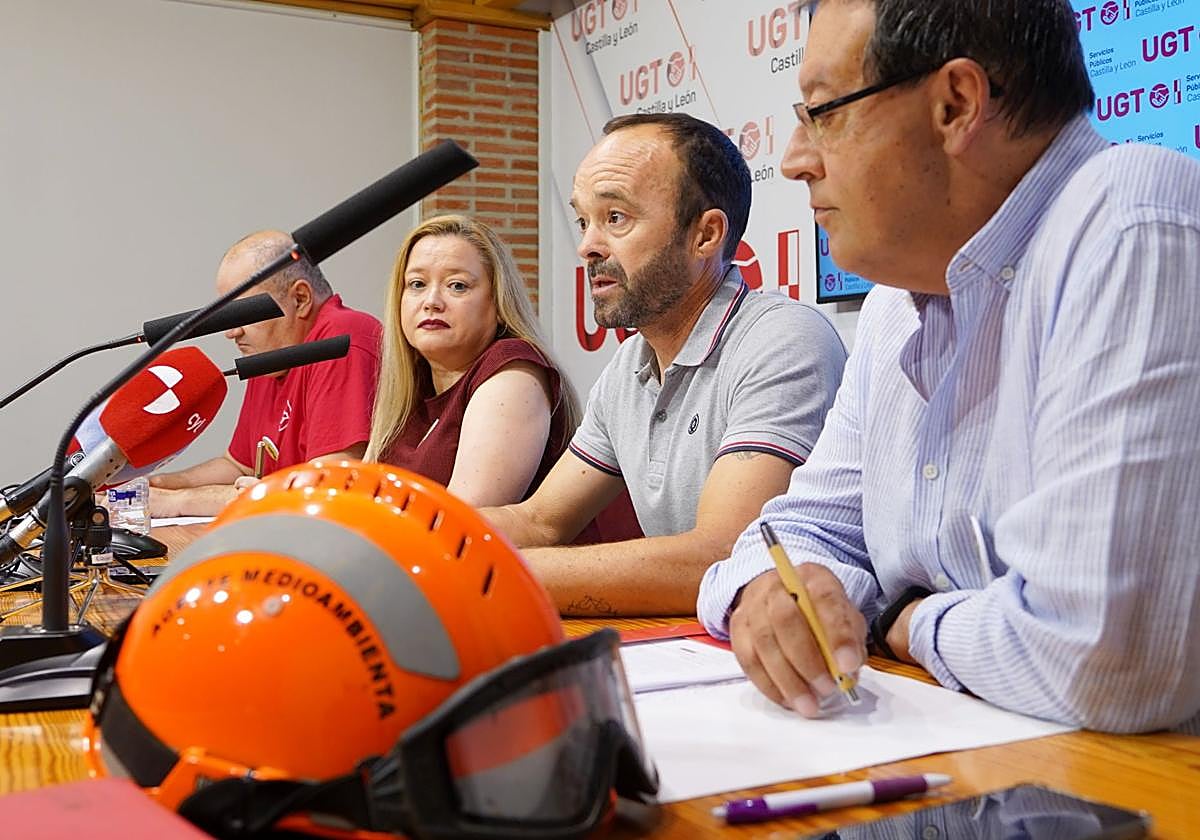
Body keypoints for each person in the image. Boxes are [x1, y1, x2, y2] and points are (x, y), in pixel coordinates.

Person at [698, 0, 1200, 733]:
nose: (795, 159)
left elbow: (1109, 660)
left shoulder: (1132, 224)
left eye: (822, 112)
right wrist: (778, 597)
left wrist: (901, 619)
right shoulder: (896, 304)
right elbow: (794, 539)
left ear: (956, 104)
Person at [482, 112, 848, 616]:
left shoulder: (782, 340)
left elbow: (723, 558)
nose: (587, 245)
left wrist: (481, 572)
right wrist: (410, 535)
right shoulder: (630, 364)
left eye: (616, 218)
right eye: (583, 220)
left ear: (705, 236)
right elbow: (541, 521)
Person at [150, 230, 382, 516]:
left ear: (300, 299)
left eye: (242, 314)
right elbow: (239, 465)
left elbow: (327, 486)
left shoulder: (343, 338)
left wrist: (179, 502)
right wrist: (161, 486)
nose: (231, 332)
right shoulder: (274, 355)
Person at [365, 215, 582, 508]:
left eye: (457, 286)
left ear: (498, 302)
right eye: (417, 284)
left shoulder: (514, 372)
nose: (432, 301)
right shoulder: (409, 388)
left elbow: (463, 524)